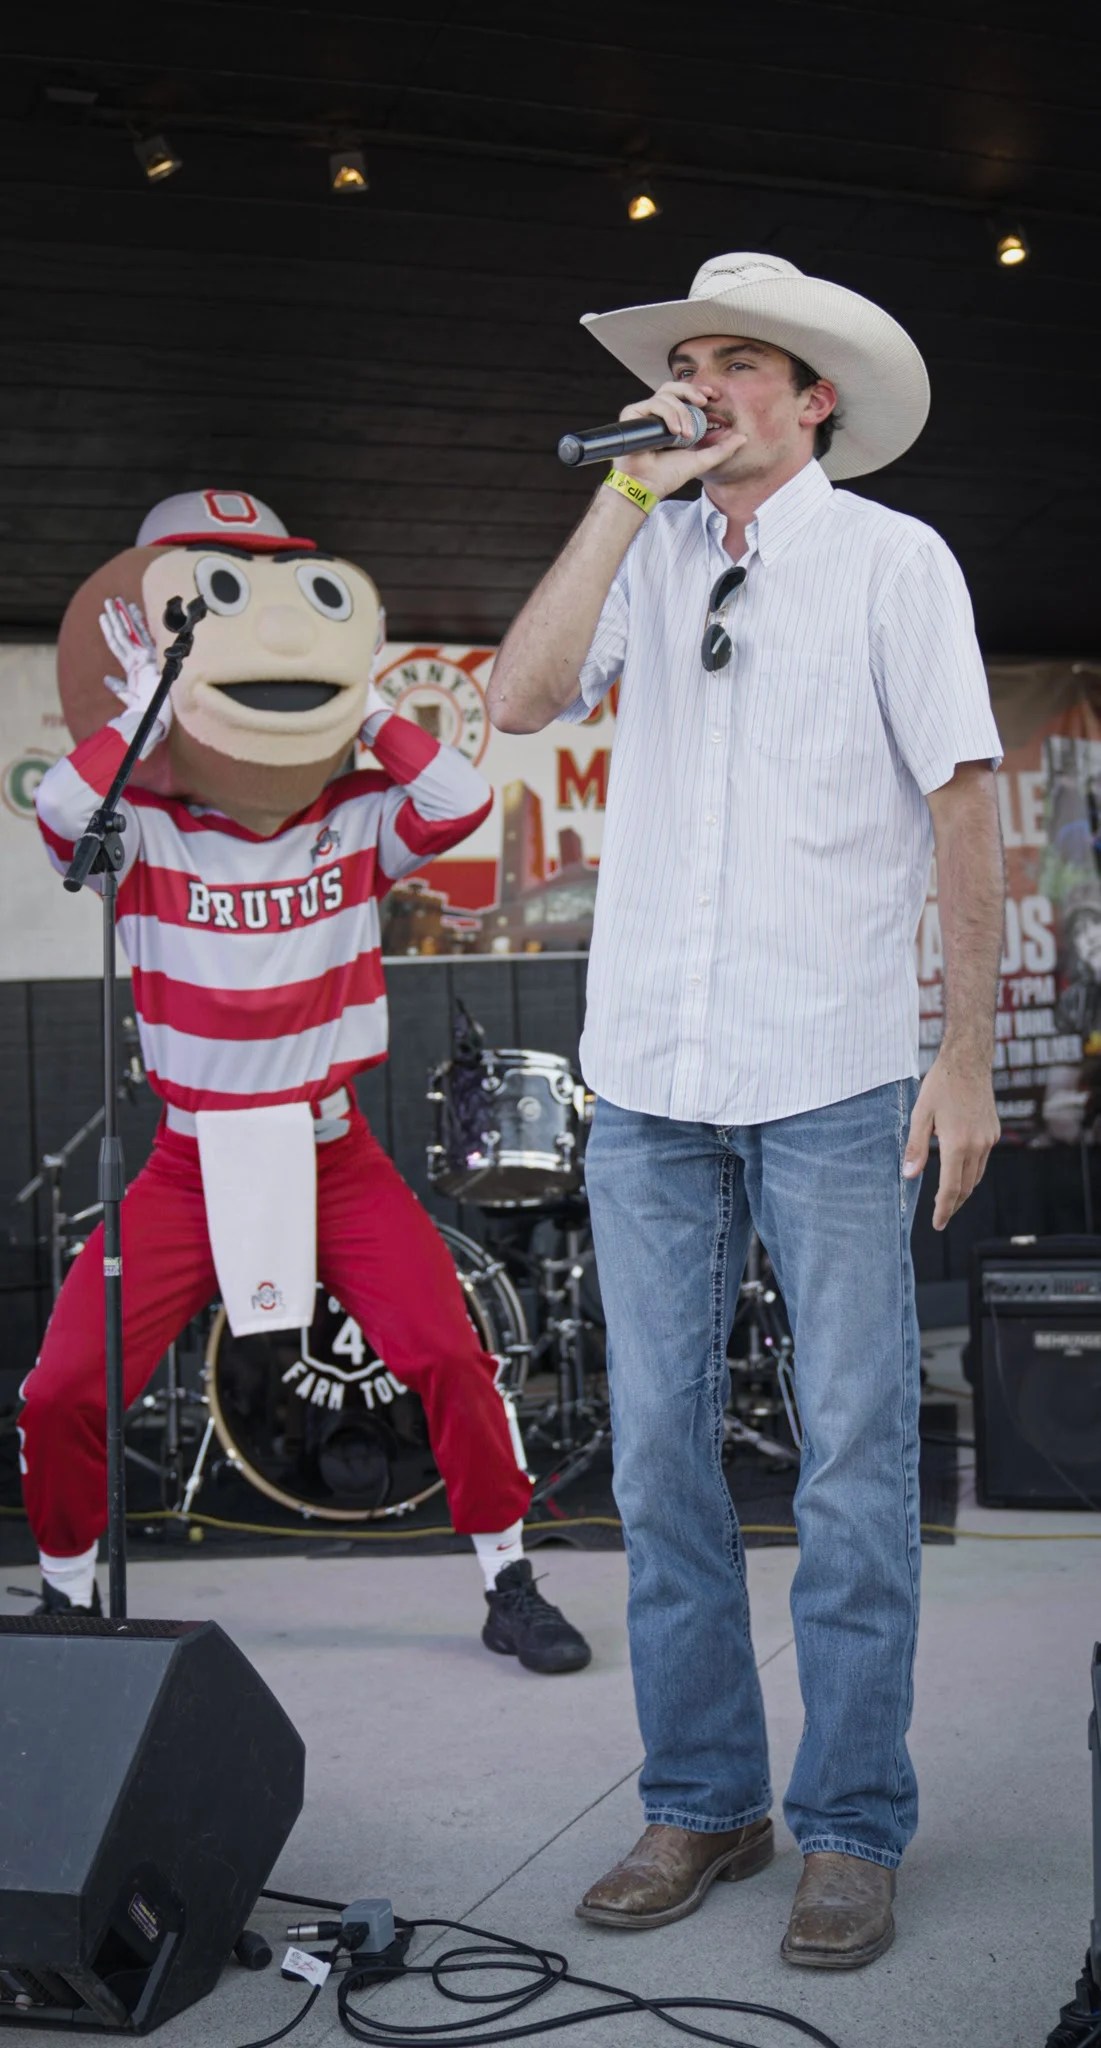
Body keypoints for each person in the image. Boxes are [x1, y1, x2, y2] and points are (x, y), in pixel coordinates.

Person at [487, 253, 1005, 1959]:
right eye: (684, 363)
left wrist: (964, 1055)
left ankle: (850, 1823)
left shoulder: (892, 562)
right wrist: (626, 493)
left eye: (735, 365)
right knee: (656, 1459)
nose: (699, 386)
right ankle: (705, 1798)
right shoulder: (645, 548)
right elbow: (518, 697)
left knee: (853, 1458)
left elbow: (963, 810)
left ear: (814, 398)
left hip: (834, 1071)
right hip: (650, 1076)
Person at [19, 490, 590, 1677]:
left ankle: (508, 1578)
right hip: (190, 1158)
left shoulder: (354, 815)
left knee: (450, 1356)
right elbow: (59, 807)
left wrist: (361, 700)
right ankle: (68, 1595)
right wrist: (152, 701)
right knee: (65, 1382)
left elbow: (460, 800)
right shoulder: (142, 827)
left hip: (332, 1153)